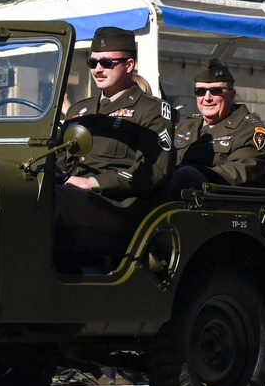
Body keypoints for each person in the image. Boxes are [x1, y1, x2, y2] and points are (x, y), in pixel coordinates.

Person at [53, 27, 175, 237]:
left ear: (129, 65)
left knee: (48, 201)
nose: (97, 69)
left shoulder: (152, 110)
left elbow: (154, 171)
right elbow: (61, 161)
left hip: (120, 206)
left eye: (107, 63)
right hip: (75, 198)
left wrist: (92, 183)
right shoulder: (79, 110)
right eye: (92, 62)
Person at [167, 58, 265, 198]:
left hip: (220, 206)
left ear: (231, 95)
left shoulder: (249, 130)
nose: (207, 98)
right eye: (201, 91)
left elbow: (240, 174)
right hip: (185, 200)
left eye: (216, 91)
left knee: (186, 174)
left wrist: (192, 172)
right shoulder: (188, 125)